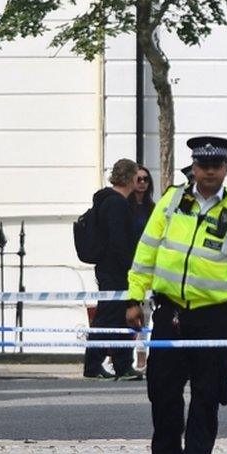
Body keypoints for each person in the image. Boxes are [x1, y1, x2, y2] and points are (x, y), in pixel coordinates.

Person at [125, 136, 227, 454]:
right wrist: (135, 299)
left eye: (215, 166)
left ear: (225, 169)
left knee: (208, 392)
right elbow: (147, 250)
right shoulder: (172, 201)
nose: (208, 172)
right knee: (161, 389)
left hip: (214, 315)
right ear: (193, 168)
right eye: (202, 165)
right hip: (170, 312)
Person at [83, 159, 142, 380]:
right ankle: (93, 364)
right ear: (131, 177)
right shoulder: (116, 204)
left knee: (119, 317)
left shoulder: (107, 201)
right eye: (137, 176)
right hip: (116, 269)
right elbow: (119, 241)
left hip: (110, 267)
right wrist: (130, 266)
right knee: (108, 316)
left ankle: (123, 364)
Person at [128, 165, 156, 371]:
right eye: (138, 179)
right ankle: (117, 356)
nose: (142, 183)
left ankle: (141, 356)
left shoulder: (153, 209)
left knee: (145, 315)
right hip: (127, 264)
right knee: (124, 312)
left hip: (147, 266)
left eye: (145, 179)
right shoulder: (123, 207)